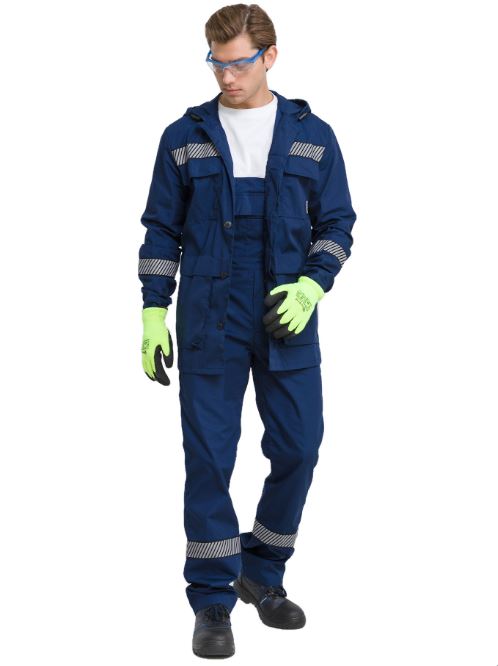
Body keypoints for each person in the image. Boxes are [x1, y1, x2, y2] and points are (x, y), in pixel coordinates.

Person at [138, 3, 357, 659]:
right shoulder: (184, 136)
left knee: (300, 447)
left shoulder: (312, 135)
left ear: (270, 57)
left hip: (287, 312)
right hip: (210, 316)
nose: (226, 77)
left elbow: (338, 224)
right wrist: (153, 310)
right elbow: (161, 230)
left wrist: (313, 284)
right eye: (217, 63)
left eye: (238, 63)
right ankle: (212, 600)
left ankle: (261, 572)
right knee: (210, 457)